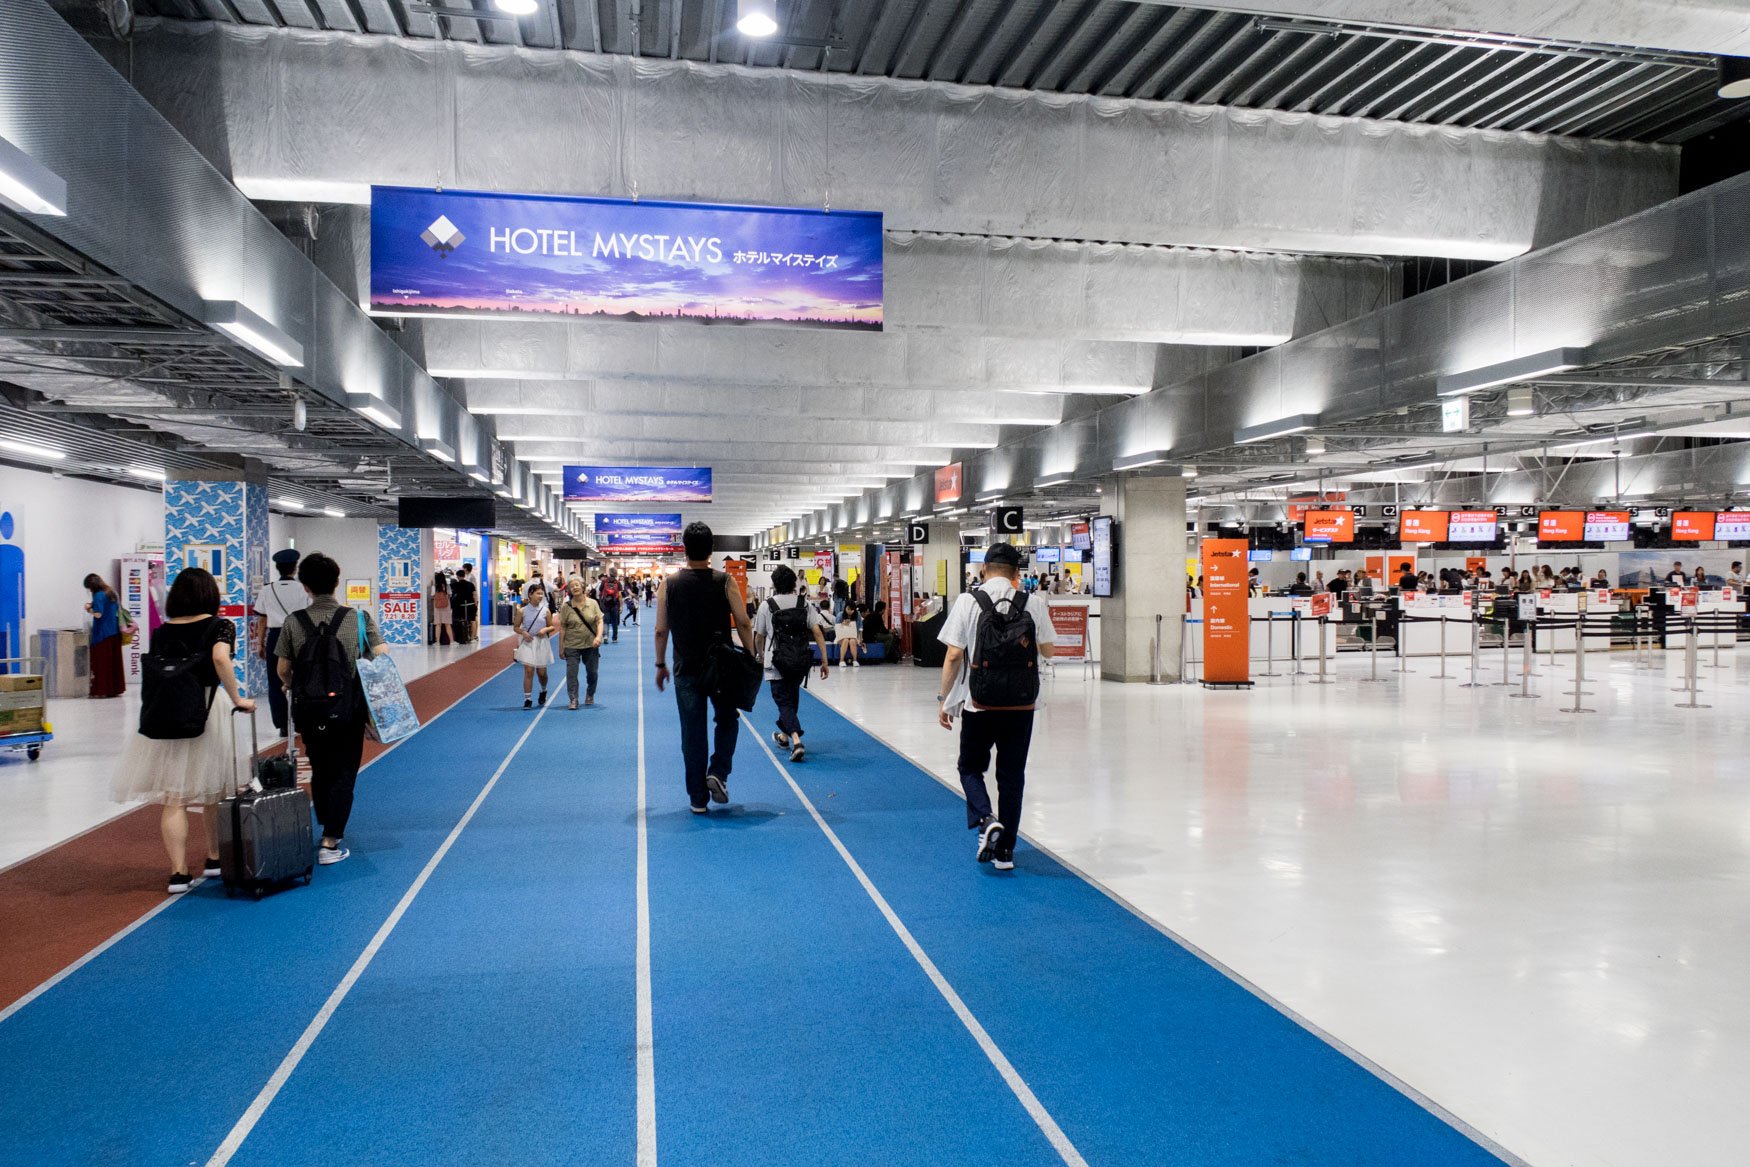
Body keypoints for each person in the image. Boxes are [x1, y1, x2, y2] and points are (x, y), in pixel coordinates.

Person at [112, 567, 255, 894]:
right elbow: (220, 658)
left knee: (174, 796)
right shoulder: (220, 625)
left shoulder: (162, 631)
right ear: (210, 596)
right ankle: (214, 857)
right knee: (215, 791)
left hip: (168, 712)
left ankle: (178, 873)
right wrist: (238, 698)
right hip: (207, 708)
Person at [937, 542, 1055, 873]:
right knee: (1012, 776)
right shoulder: (1034, 602)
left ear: (984, 569)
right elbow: (1047, 650)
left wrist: (943, 699)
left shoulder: (968, 602)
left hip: (979, 703)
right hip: (1022, 704)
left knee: (970, 767)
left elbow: (953, 655)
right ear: (1018, 574)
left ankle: (986, 817)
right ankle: (1006, 853)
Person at [275, 553, 388, 867]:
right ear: (337, 582)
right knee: (344, 771)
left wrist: (292, 684)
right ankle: (330, 838)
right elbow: (381, 655)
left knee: (319, 764)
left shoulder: (293, 622)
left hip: (310, 711)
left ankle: (324, 821)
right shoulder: (359, 619)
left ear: (306, 586)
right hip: (346, 709)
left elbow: (283, 669)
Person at [654, 522, 758, 813]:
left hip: (685, 668)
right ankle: (719, 772)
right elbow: (744, 621)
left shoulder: (668, 584)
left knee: (692, 731)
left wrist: (660, 664)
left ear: (684, 549)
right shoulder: (724, 581)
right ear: (712, 549)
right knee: (727, 719)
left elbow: (661, 630)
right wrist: (751, 656)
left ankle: (697, 799)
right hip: (721, 667)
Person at [754, 564, 830, 763]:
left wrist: (760, 656)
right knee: (791, 701)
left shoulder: (767, 605)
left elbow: (759, 636)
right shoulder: (803, 603)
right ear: (794, 583)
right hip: (799, 661)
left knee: (784, 703)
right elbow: (817, 633)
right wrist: (824, 660)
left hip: (776, 661)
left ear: (774, 583)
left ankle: (796, 741)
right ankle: (783, 737)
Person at [251, 549, 308, 736]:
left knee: (275, 681)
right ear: (295, 567)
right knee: (301, 678)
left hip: (275, 637)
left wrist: (260, 644)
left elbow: (262, 619)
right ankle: (301, 720)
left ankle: (282, 723)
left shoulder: (267, 590)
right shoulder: (303, 589)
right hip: (300, 636)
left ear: (277, 568)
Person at [559, 578, 604, 710]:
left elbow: (599, 621)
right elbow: (562, 628)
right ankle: (573, 699)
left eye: (577, 585)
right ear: (569, 590)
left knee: (592, 672)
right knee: (571, 673)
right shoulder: (566, 607)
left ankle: (590, 693)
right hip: (571, 644)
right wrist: (561, 647)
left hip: (591, 644)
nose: (575, 588)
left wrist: (598, 636)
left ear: (583, 587)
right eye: (572, 586)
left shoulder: (593, 603)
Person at [514, 581, 558, 708]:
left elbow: (551, 626)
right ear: (530, 594)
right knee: (528, 671)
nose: (540, 596)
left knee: (542, 673)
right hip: (528, 642)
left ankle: (543, 690)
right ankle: (527, 699)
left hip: (541, 643)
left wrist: (544, 630)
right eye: (538, 593)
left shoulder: (546, 611)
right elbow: (516, 627)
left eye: (542, 594)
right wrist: (523, 633)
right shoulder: (522, 611)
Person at [83, 572, 127, 698]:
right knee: (113, 664)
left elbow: (98, 614)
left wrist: (88, 609)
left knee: (101, 664)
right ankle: (115, 688)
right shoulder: (112, 592)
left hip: (102, 634)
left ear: (91, 587)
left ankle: (101, 690)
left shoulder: (98, 595)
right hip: (115, 632)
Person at [451, 564, 479, 644]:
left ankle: (460, 636)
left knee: (461, 620)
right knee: (472, 620)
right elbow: (475, 594)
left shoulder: (455, 585)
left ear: (458, 576)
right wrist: (475, 604)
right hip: (471, 604)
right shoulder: (470, 584)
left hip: (460, 606)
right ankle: (473, 637)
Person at [833, 601, 863, 666]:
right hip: (842, 636)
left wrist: (861, 638)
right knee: (846, 640)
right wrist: (843, 623)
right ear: (845, 608)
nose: (850, 611)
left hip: (854, 636)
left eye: (852, 610)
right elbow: (836, 627)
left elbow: (860, 627)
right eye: (848, 609)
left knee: (852, 641)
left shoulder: (858, 614)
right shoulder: (840, 615)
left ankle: (855, 660)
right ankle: (841, 660)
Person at [599, 573, 623, 644]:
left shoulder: (604, 582)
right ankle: (614, 638)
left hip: (605, 604)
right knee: (614, 622)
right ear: (616, 575)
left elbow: (600, 593)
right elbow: (620, 595)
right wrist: (621, 606)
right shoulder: (618, 583)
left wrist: (601, 602)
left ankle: (605, 636)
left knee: (605, 621)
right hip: (615, 604)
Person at [430, 572, 452, 646]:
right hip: (446, 606)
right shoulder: (447, 586)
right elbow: (450, 595)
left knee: (438, 624)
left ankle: (437, 642)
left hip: (437, 607)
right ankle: (452, 641)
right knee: (447, 624)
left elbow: (432, 596)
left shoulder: (434, 587)